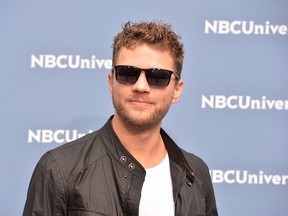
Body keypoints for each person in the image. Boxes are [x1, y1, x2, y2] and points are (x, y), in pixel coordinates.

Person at [23, 21, 218, 216]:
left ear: (176, 90)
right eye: (127, 74)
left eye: (157, 77)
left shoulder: (196, 173)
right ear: (111, 82)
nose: (141, 86)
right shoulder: (59, 170)